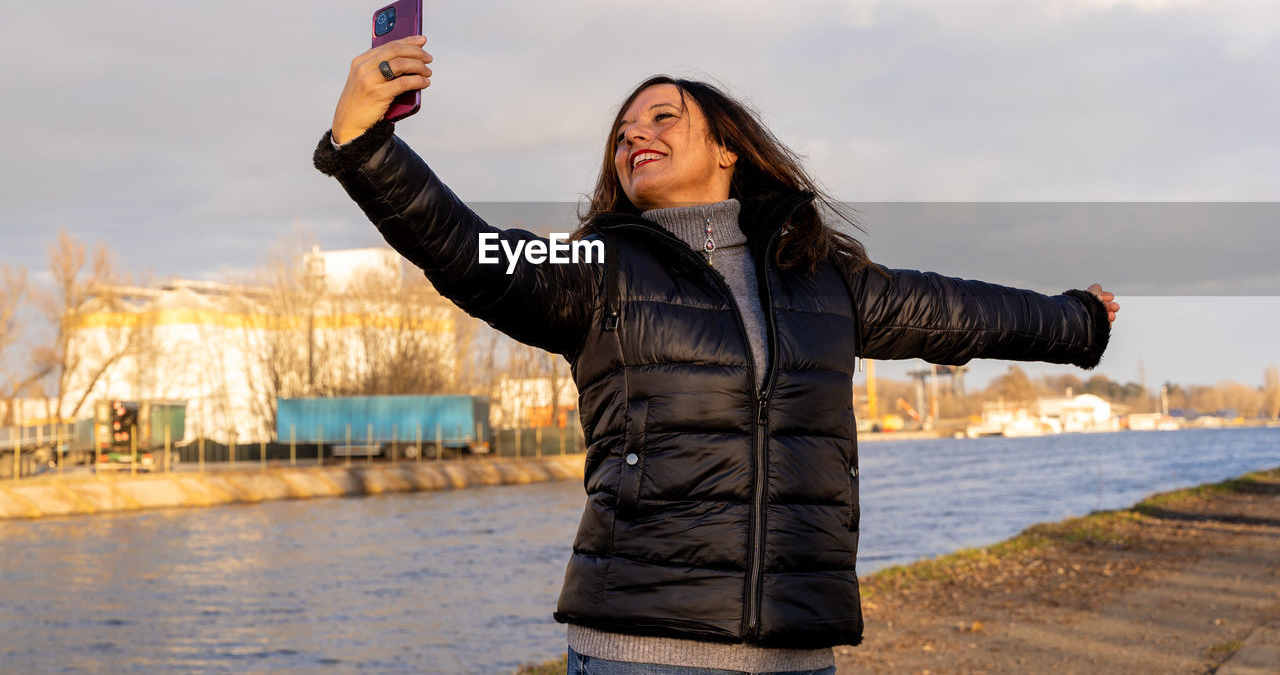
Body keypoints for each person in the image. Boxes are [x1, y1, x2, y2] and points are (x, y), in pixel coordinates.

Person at [314, 34, 1119, 675]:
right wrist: (364, 142)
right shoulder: (599, 271)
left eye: (662, 118)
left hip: (798, 653)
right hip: (644, 653)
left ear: (727, 146)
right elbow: (468, 252)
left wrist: (1078, 322)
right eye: (625, 131)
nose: (636, 134)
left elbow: (959, 313)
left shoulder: (822, 277)